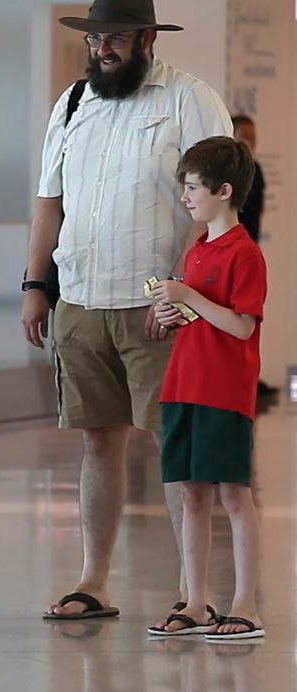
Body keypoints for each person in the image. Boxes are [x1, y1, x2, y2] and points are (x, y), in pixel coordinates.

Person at [20, 0, 232, 621]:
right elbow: (49, 201)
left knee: (177, 447)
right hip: (82, 297)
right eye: (95, 39)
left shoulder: (189, 99)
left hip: (158, 303)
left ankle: (195, 593)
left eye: (114, 38)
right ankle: (94, 581)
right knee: (97, 442)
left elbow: (217, 206)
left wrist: (180, 287)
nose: (102, 49)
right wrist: (35, 285)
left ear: (147, 38)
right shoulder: (72, 103)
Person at [147, 137, 266, 641]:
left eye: (193, 187)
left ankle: (246, 605)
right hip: (183, 385)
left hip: (224, 390)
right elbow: (203, 317)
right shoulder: (197, 251)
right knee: (191, 494)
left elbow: (241, 325)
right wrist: (173, 311)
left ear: (224, 190)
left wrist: (189, 296)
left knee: (234, 494)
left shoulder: (245, 253)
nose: (185, 197)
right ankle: (197, 601)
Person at [231, 114, 277, 397]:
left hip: (249, 252)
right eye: (244, 136)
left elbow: (258, 210)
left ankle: (248, 377)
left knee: (250, 316)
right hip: (231, 254)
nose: (250, 142)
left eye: (253, 136)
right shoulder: (228, 173)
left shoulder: (256, 171)